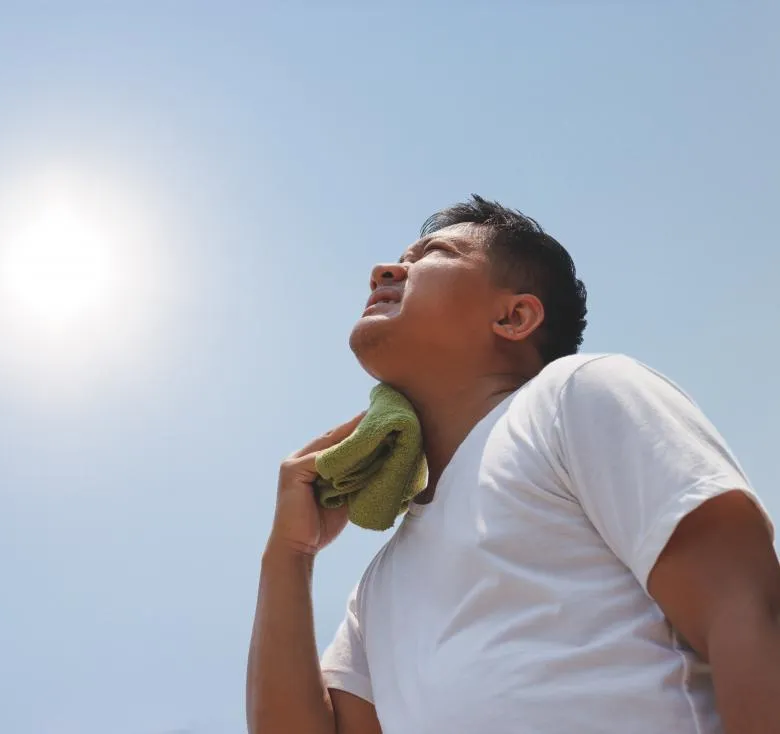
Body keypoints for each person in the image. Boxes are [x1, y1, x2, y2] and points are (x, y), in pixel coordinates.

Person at [246, 195, 780, 734]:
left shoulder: (576, 395)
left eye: (433, 253)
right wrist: (290, 553)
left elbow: (745, 607)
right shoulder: (379, 588)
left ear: (513, 316)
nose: (384, 270)